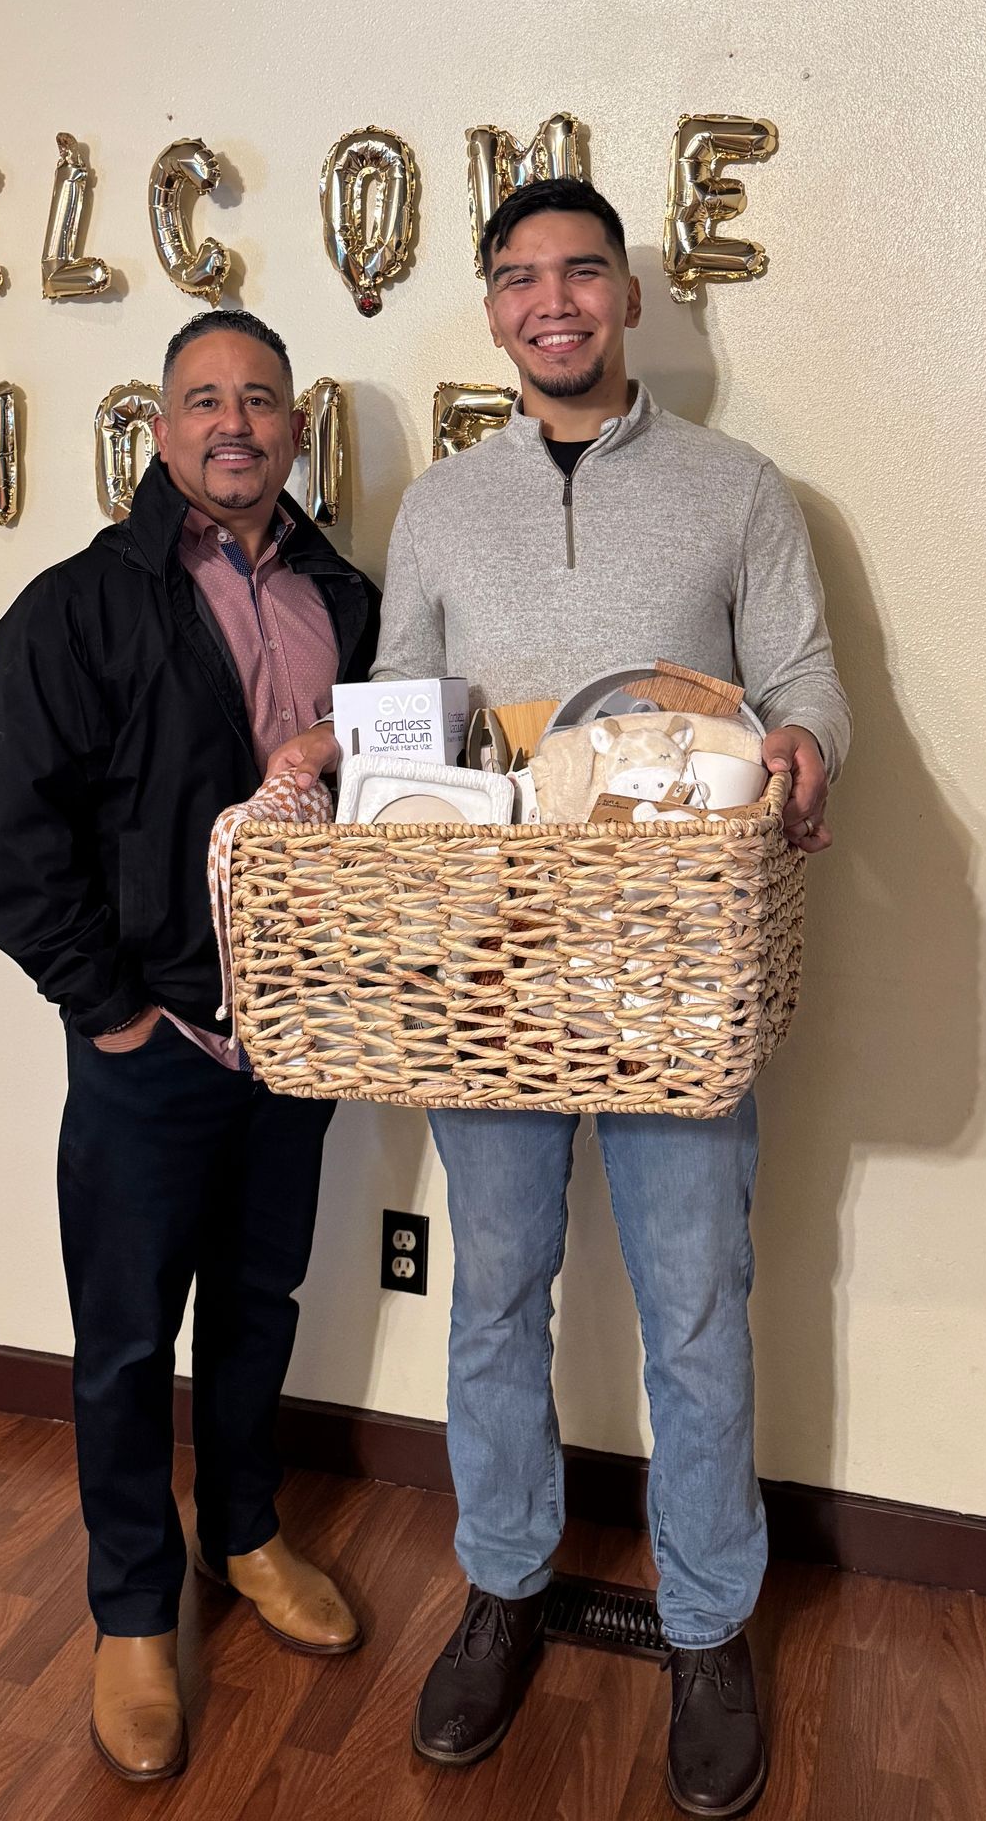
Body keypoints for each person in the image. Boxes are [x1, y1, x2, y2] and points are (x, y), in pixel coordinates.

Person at [274, 178, 849, 1820]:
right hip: (490, 977)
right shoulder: (445, 509)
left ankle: (711, 1621)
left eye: (580, 271)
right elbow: (412, 710)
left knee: (693, 1307)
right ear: (495, 310)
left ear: (630, 300)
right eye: (520, 278)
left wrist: (807, 746)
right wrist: (337, 740)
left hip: (676, 981)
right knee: (492, 1300)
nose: (553, 301)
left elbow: (804, 681)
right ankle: (505, 1586)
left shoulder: (742, 493)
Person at [0, 310, 380, 1786]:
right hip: (149, 1050)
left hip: (299, 1044)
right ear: (158, 431)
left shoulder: (354, 600)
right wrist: (117, 1013)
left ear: (293, 428)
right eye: (204, 400)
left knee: (260, 1305)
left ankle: (249, 1533)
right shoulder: (76, 609)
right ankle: (134, 1610)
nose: (235, 423)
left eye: (261, 398)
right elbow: (8, 858)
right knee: (130, 1338)